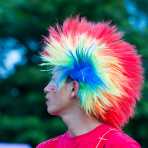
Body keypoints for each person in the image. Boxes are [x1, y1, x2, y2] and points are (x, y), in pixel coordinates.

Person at [37, 16, 144, 148]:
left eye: (54, 81)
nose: (46, 88)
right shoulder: (46, 147)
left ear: (73, 89)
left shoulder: (118, 144)